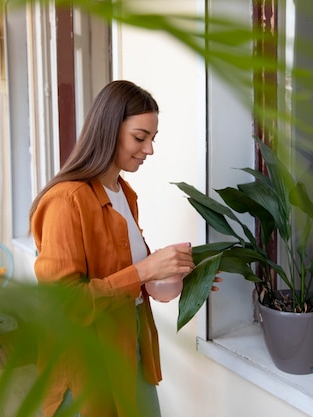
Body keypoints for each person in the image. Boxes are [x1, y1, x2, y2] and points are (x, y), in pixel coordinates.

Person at [29, 80, 208, 417]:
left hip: (132, 348)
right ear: (109, 129)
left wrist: (177, 273)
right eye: (140, 137)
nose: (149, 150)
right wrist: (144, 271)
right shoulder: (67, 201)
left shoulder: (124, 195)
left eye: (152, 139)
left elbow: (134, 283)